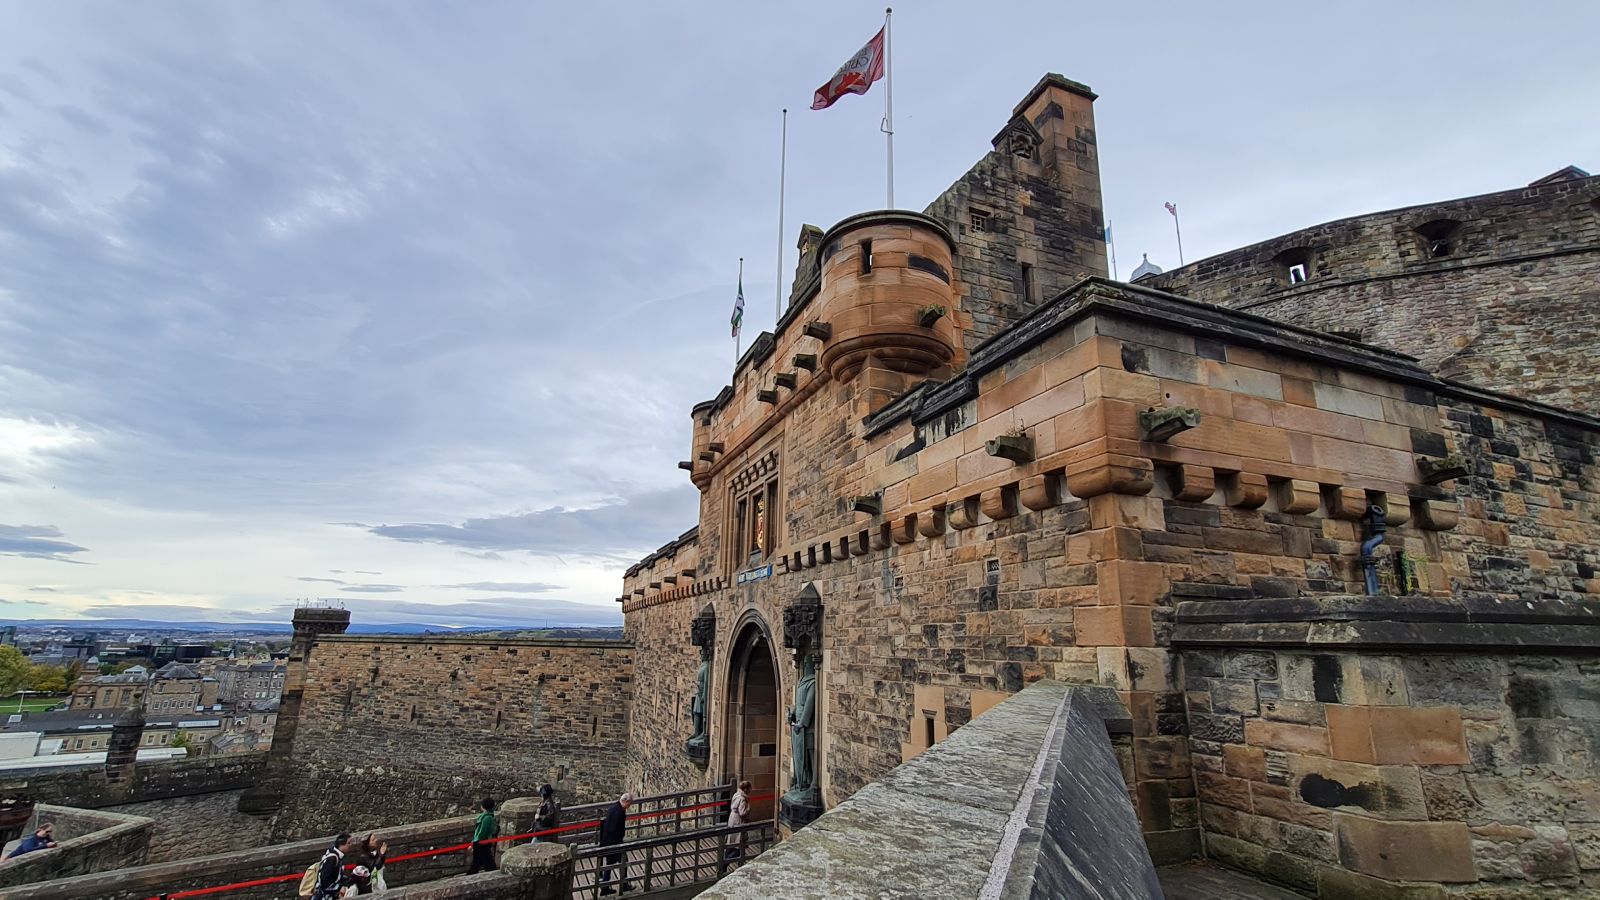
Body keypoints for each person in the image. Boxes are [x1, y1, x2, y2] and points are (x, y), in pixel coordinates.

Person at [597, 792, 633, 896]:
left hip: (606, 841)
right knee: (622, 862)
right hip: (613, 843)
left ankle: (606, 887)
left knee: (611, 864)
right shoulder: (619, 813)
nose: (629, 806)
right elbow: (616, 830)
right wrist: (618, 843)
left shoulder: (613, 808)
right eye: (629, 803)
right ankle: (622, 885)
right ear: (626, 801)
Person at [311, 832, 362, 900]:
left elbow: (337, 876)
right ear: (341, 845)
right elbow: (325, 881)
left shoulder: (336, 856)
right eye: (348, 843)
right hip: (324, 896)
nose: (351, 845)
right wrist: (338, 888)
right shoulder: (332, 859)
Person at [467, 797, 498, 874]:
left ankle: (472, 874)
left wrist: (475, 842)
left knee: (479, 861)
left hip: (481, 842)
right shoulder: (487, 817)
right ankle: (493, 872)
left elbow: (482, 832)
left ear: (483, 806)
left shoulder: (486, 818)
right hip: (481, 842)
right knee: (485, 860)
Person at [724, 780, 751, 862]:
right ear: (746, 789)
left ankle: (727, 859)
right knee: (738, 842)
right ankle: (727, 861)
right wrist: (748, 809)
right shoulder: (742, 798)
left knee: (731, 840)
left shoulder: (736, 794)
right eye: (749, 789)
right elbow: (742, 812)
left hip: (732, 818)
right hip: (738, 820)